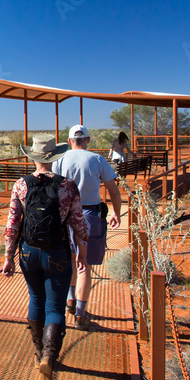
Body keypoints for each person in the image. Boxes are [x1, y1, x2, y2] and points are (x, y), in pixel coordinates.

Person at [2, 134, 88, 380]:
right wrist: (82, 253)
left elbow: (12, 224)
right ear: (54, 158)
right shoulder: (68, 186)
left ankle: (39, 353)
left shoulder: (21, 185)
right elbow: (78, 223)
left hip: (29, 252)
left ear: (33, 157)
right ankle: (49, 358)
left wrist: (8, 257)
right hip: (58, 251)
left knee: (36, 299)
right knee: (55, 306)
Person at [52, 125, 122, 330]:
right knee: (85, 265)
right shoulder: (97, 160)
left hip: (66, 216)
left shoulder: (60, 160)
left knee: (71, 260)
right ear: (88, 140)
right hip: (90, 215)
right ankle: (81, 315)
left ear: (69, 141)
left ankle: (70, 300)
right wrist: (116, 212)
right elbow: (114, 191)